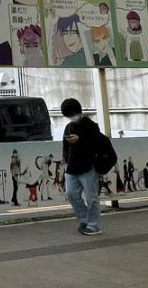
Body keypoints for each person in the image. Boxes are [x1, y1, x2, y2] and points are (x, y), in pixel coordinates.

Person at [61, 98, 103, 236]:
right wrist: (65, 160)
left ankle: (93, 225)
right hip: (72, 167)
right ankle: (85, 219)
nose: (71, 118)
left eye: (71, 115)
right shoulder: (69, 127)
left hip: (89, 167)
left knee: (92, 197)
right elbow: (65, 145)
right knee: (71, 194)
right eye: (68, 116)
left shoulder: (91, 126)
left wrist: (79, 140)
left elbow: (97, 144)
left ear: (78, 112)